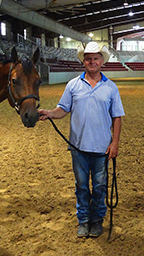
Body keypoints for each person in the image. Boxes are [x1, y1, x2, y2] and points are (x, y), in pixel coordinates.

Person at [38, 41, 125, 238]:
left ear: (102, 61)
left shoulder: (111, 87)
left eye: (95, 58)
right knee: (82, 187)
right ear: (83, 61)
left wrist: (115, 143)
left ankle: (97, 220)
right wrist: (49, 113)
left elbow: (117, 117)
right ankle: (84, 220)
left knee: (100, 187)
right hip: (78, 147)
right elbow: (63, 109)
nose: (91, 61)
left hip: (102, 147)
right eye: (88, 58)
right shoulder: (73, 85)